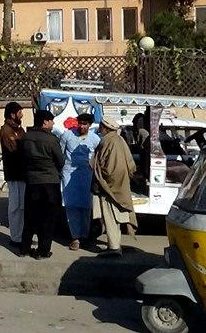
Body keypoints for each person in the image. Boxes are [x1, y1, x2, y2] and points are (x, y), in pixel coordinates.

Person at [18, 110, 65, 259]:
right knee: (48, 218)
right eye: (51, 120)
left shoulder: (26, 137)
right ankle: (43, 251)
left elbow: (21, 158)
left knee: (30, 216)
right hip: (50, 182)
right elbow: (60, 161)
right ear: (45, 122)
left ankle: (24, 248)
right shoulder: (51, 139)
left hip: (32, 181)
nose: (53, 123)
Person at [92, 117, 138, 258]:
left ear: (105, 128)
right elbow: (130, 164)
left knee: (110, 217)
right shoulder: (119, 139)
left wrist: (103, 180)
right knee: (115, 217)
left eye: (101, 126)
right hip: (119, 184)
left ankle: (114, 247)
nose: (99, 128)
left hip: (110, 187)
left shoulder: (107, 141)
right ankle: (114, 244)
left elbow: (109, 168)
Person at [60, 113, 100, 251]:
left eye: (85, 124)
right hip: (69, 174)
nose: (82, 126)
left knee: (86, 207)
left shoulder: (95, 139)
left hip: (87, 175)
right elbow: (61, 154)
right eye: (80, 123)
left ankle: (85, 236)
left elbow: (98, 158)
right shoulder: (67, 135)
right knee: (71, 206)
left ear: (90, 125)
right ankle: (75, 237)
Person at [0, 102, 26, 248]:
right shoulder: (6, 130)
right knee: (15, 207)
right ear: (12, 114)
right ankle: (16, 238)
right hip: (14, 173)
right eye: (19, 112)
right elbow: (15, 150)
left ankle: (21, 236)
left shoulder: (18, 129)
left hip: (22, 173)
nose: (22, 115)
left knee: (22, 207)